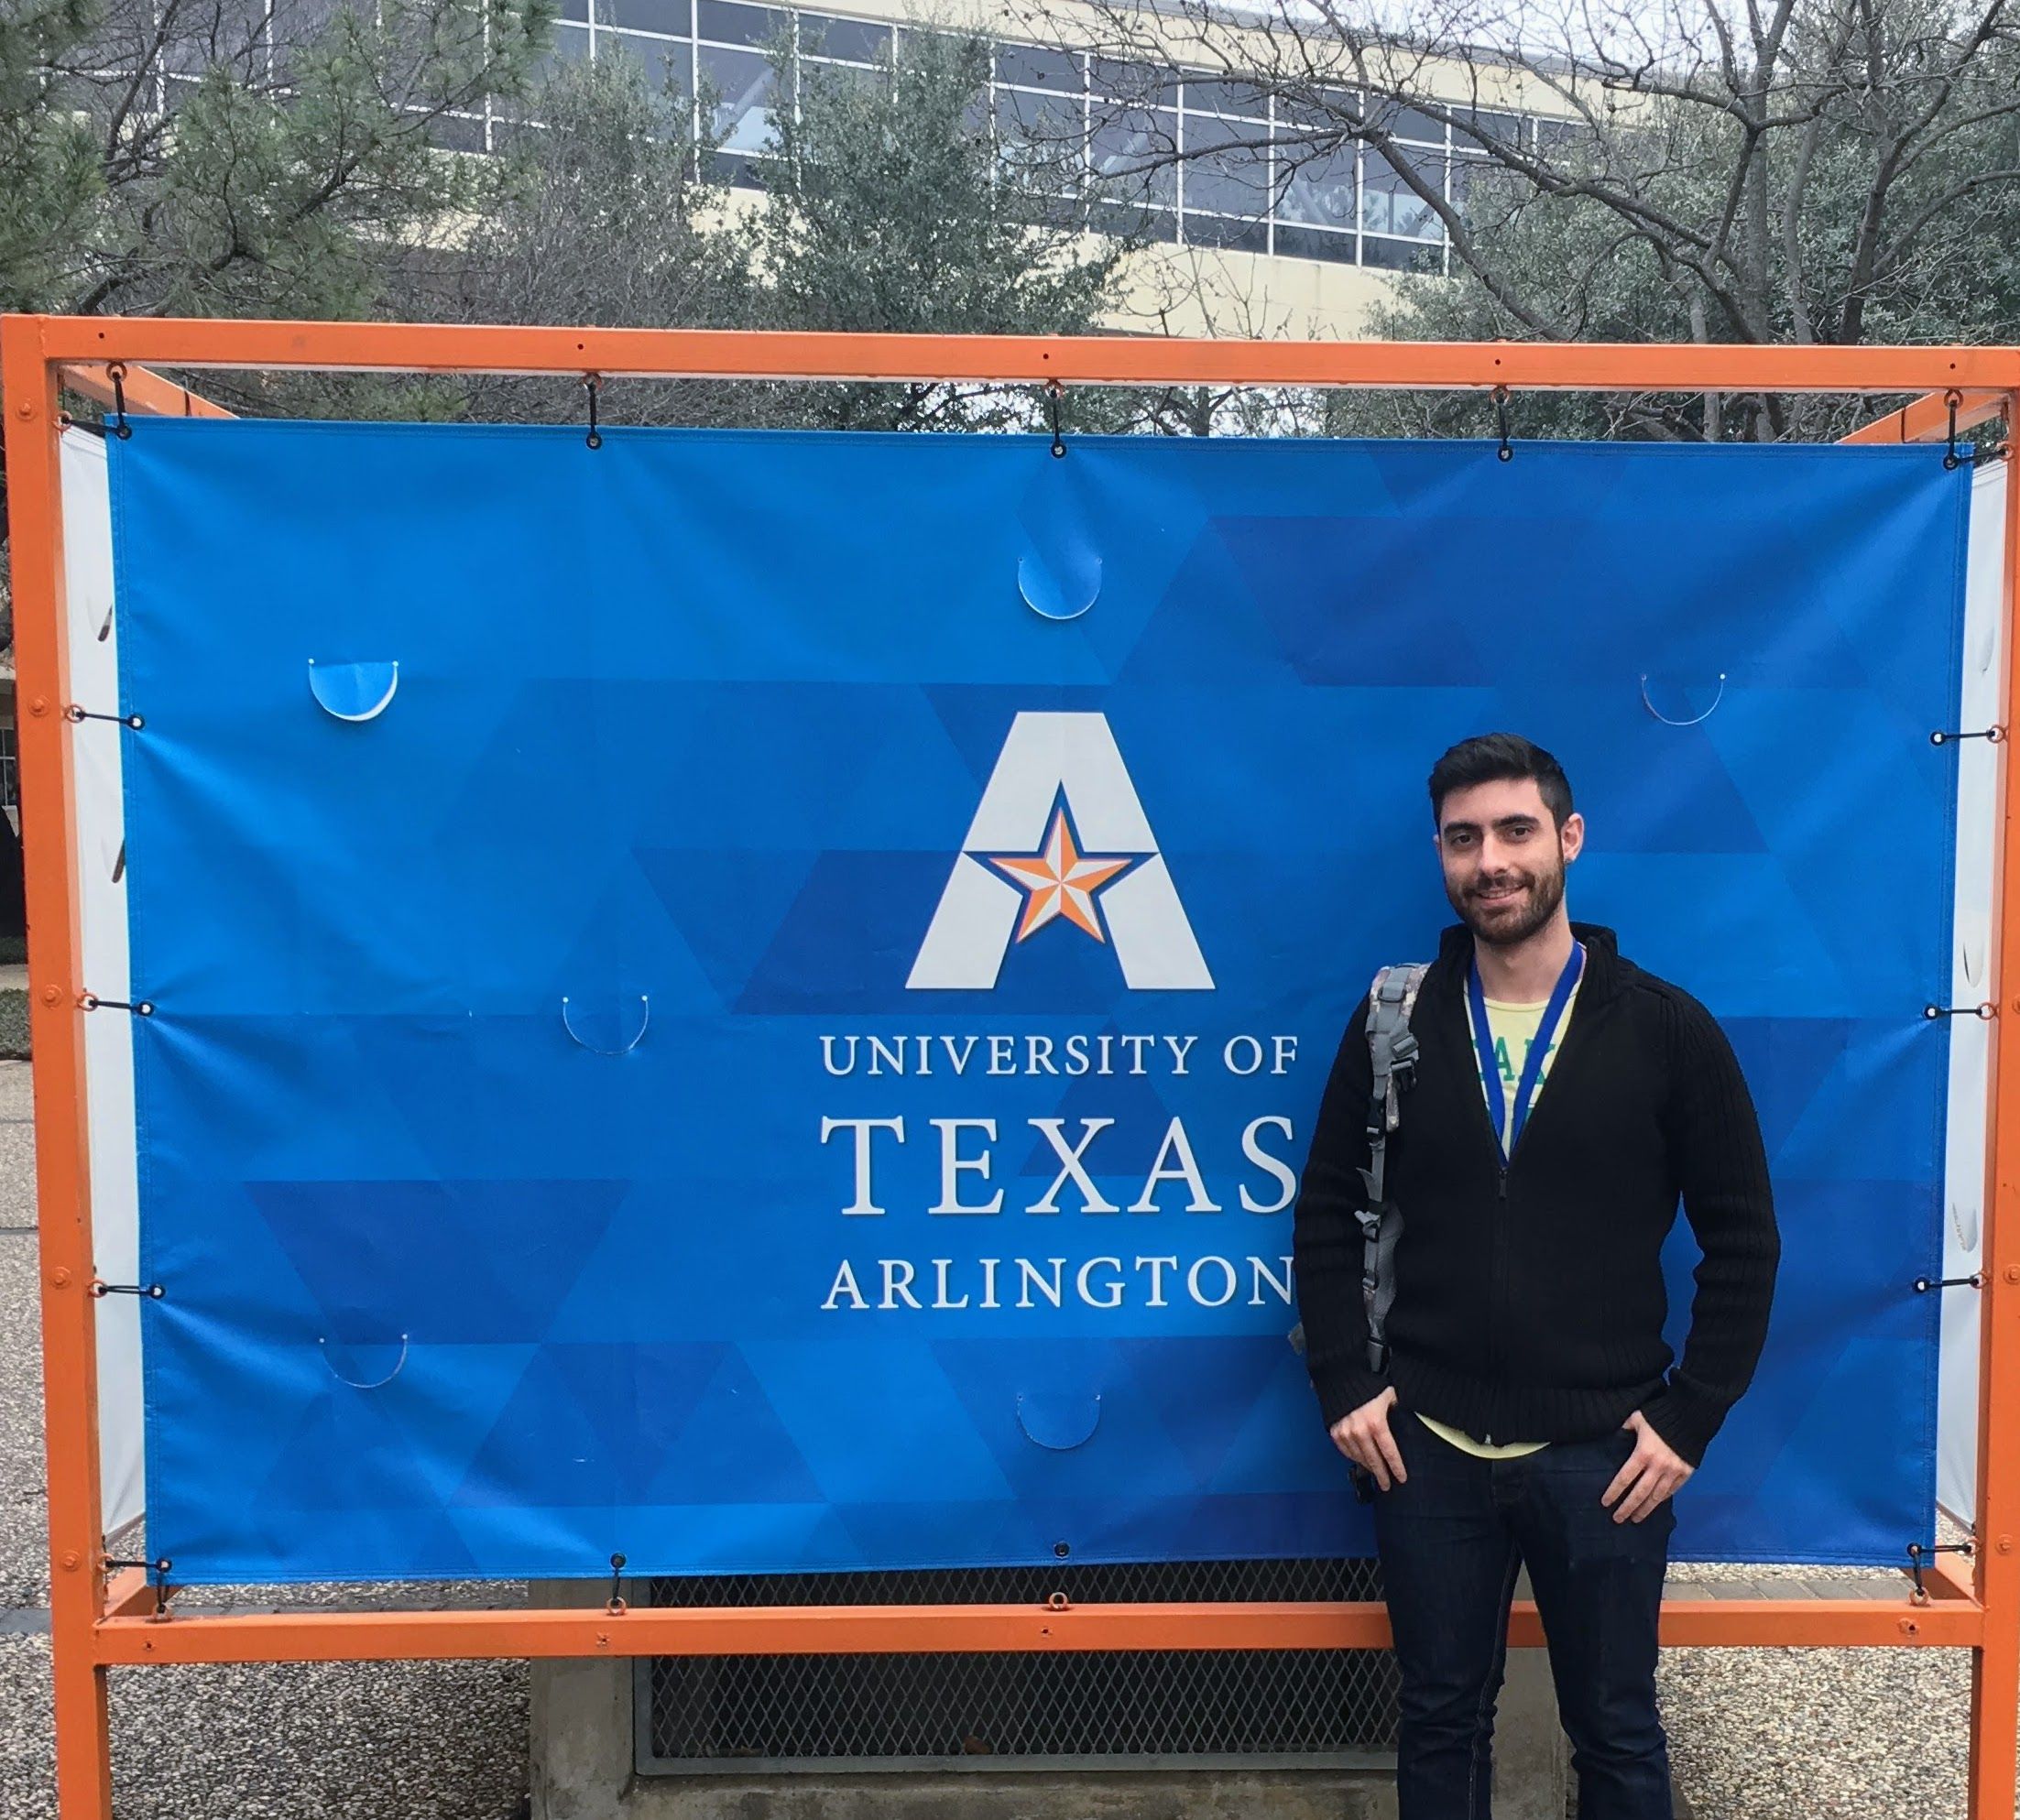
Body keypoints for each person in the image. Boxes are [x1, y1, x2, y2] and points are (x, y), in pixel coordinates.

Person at [1291, 732, 1780, 1820]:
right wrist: (1342, 1378)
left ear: (1568, 839)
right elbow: (1326, 1209)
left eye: (1516, 831)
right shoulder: (1396, 1021)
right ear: (1441, 855)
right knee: (1439, 1719)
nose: (1491, 861)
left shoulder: (1666, 1031)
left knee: (1613, 1730)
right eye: (1464, 839)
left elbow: (1744, 1242)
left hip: (1603, 1457)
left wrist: (1688, 1420)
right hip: (1430, 1449)